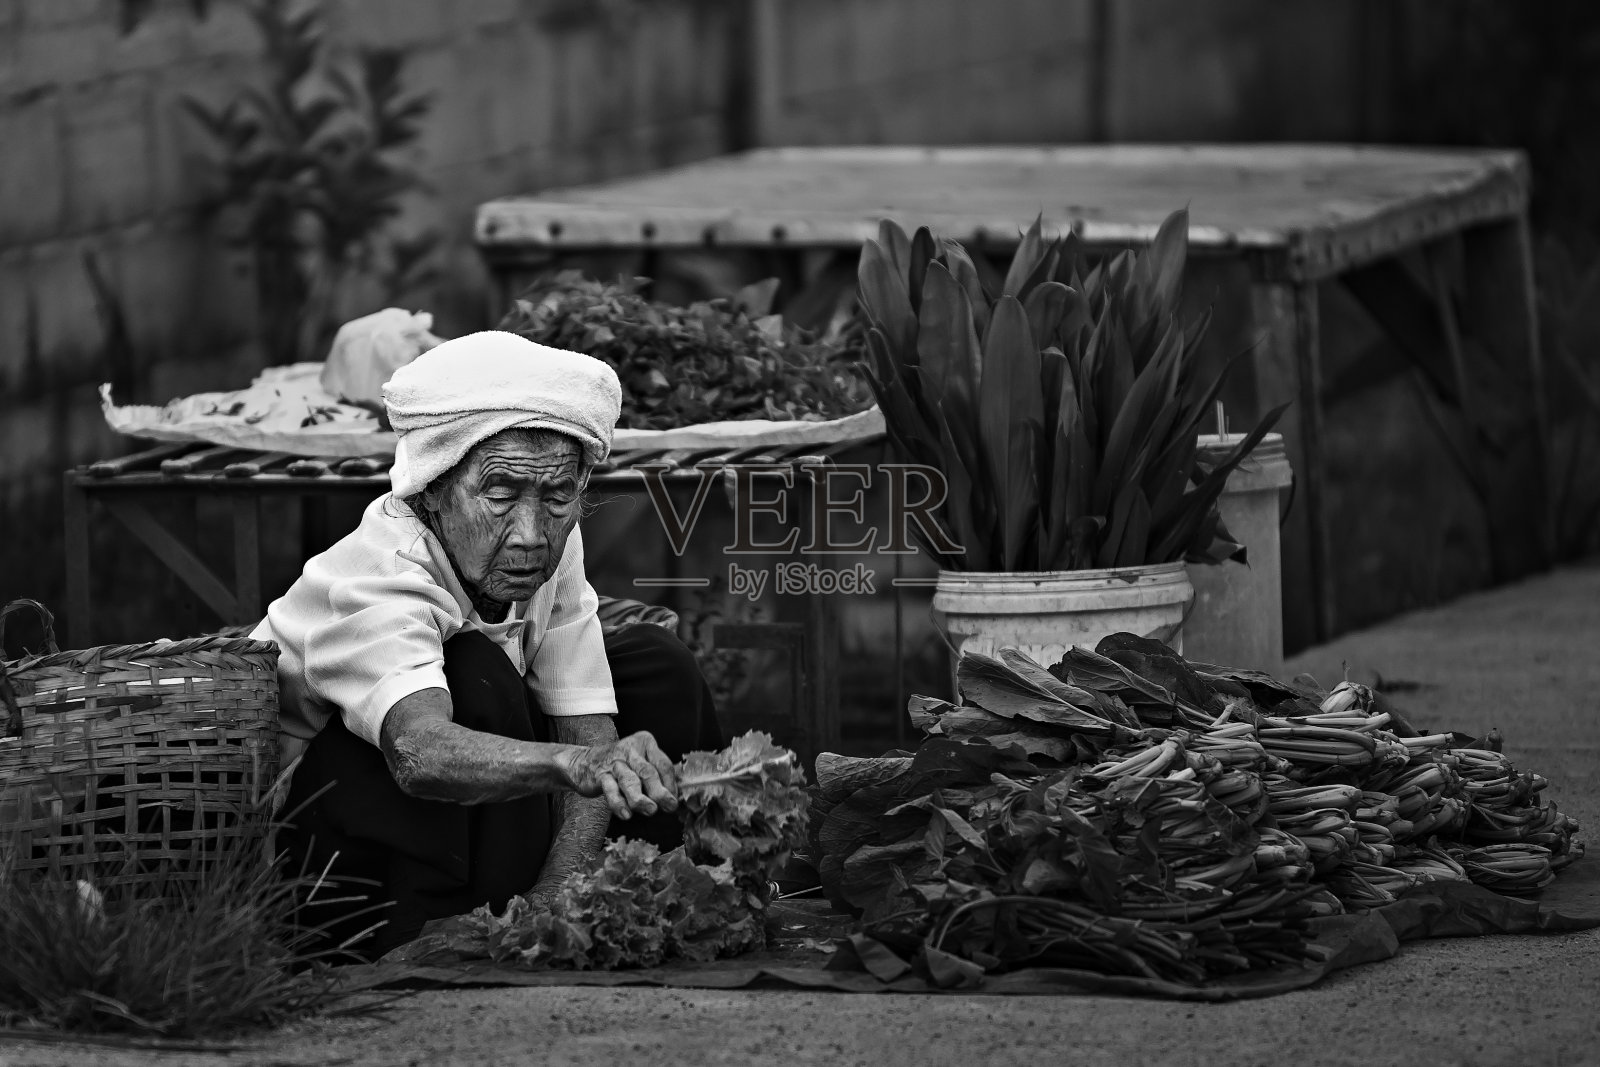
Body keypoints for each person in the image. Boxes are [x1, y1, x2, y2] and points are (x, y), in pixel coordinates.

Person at [252, 330, 723, 960]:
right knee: (476, 668)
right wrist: (573, 767)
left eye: (558, 498)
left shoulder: (551, 543)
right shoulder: (378, 574)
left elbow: (585, 721)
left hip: (468, 811)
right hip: (323, 852)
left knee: (652, 663)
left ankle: (646, 896)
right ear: (435, 491)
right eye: (499, 496)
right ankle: (435, 935)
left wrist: (566, 884)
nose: (531, 534)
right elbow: (418, 752)